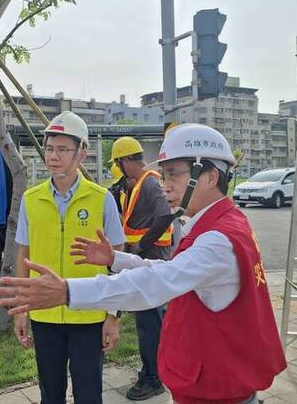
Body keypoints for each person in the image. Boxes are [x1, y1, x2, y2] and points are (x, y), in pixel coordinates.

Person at [0, 123, 287, 404]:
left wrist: (68, 292)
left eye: (173, 174)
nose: (164, 185)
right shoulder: (221, 225)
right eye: (163, 175)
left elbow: (156, 285)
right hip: (215, 381)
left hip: (218, 389)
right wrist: (115, 259)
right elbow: (165, 272)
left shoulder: (217, 240)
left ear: (209, 177)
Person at [13, 111, 125, 404]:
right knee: (51, 393)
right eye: (50, 148)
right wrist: (21, 308)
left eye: (63, 149)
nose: (53, 156)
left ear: (82, 153)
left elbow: (118, 262)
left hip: (89, 313)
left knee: (89, 393)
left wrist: (112, 316)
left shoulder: (102, 199)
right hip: (44, 313)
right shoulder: (30, 199)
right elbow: (23, 255)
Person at [109, 137, 173, 401]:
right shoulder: (143, 183)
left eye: (119, 165)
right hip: (144, 259)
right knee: (149, 321)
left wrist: (140, 246)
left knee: (150, 323)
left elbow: (165, 214)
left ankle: (153, 378)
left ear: (124, 162)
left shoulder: (149, 182)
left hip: (150, 258)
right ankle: (154, 372)